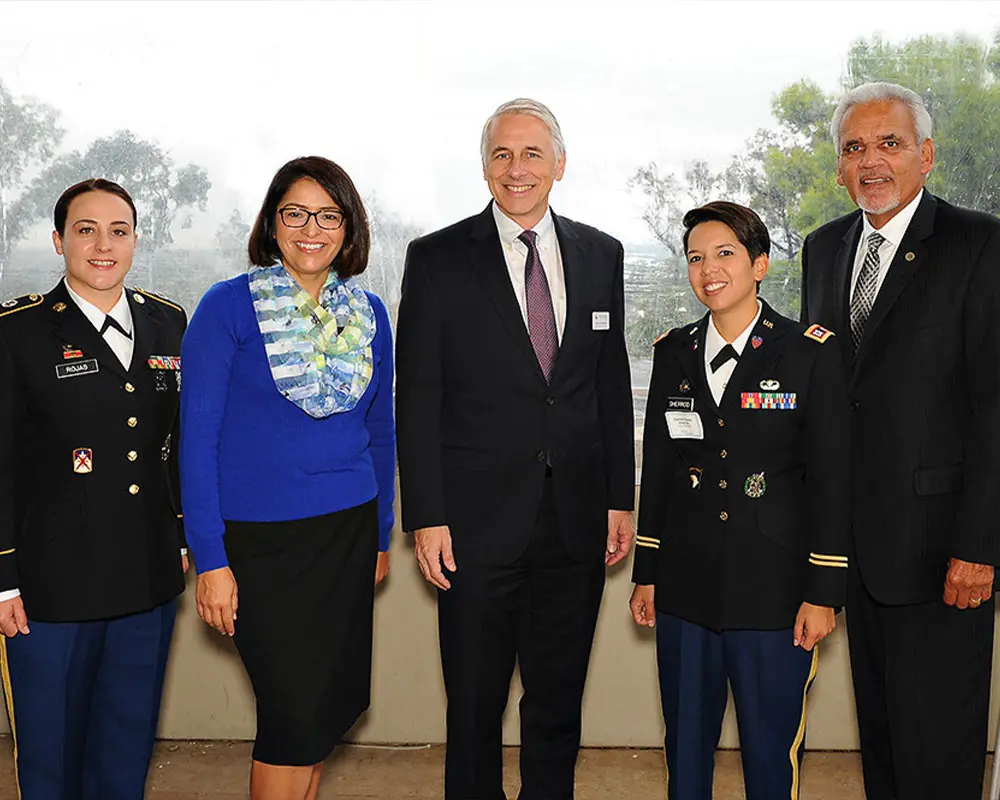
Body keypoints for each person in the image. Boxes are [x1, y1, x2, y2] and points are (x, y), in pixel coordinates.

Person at [395, 98, 635, 799]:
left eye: (532, 154)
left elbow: (608, 384)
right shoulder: (437, 258)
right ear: (483, 167)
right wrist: (427, 515)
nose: (517, 168)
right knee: (474, 704)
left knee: (557, 703)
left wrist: (621, 497)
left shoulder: (601, 253)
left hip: (576, 519)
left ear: (560, 164)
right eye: (502, 154)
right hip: (473, 524)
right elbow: (421, 394)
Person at [800, 82, 1000, 800]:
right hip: (853, 552)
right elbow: (820, 391)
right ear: (838, 166)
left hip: (944, 552)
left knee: (938, 753)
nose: (871, 161)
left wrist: (980, 547)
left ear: (927, 155)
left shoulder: (981, 244)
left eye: (889, 143)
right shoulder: (822, 249)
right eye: (854, 147)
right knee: (882, 747)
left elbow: (995, 408)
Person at [179, 156, 395, 800]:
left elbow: (381, 433)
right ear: (272, 224)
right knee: (291, 715)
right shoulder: (226, 308)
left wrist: (381, 536)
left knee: (324, 712)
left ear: (348, 229)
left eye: (329, 216)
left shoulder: (371, 313)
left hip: (347, 533)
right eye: (295, 213)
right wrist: (211, 559)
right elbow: (196, 441)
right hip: (259, 545)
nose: (312, 229)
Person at [629, 201, 850, 800]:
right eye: (696, 257)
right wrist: (646, 573)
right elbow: (665, 474)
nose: (709, 270)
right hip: (686, 588)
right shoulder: (673, 351)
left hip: (775, 594)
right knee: (686, 754)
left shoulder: (808, 351)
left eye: (725, 254)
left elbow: (832, 479)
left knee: (769, 758)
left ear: (760, 265)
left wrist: (824, 591)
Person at [0, 178, 188, 799]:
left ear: (135, 240)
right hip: (49, 589)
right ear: (59, 241)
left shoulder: (168, 322)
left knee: (124, 750)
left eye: (119, 230)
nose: (103, 245)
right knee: (52, 759)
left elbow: (176, 446)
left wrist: (183, 539)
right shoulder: (17, 331)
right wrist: (3, 577)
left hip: (146, 579)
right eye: (86, 230)